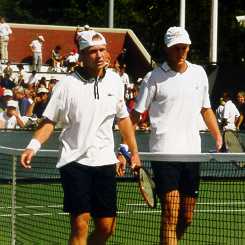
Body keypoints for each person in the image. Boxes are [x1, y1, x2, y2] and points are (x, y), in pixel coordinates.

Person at [20, 28, 140, 245]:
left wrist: (133, 152)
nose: (100, 55)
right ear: (82, 56)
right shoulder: (66, 86)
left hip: (105, 161)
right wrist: (32, 146)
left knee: (107, 227)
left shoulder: (116, 81)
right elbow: (49, 122)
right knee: (81, 223)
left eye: (102, 50)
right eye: (93, 51)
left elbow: (123, 120)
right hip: (74, 161)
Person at [129, 26, 223, 245]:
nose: (181, 51)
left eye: (185, 47)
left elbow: (206, 109)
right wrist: (126, 147)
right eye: (176, 47)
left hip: (192, 155)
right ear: (167, 48)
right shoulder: (153, 78)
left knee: (187, 217)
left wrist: (218, 136)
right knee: (170, 213)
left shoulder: (199, 73)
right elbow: (135, 116)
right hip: (164, 155)